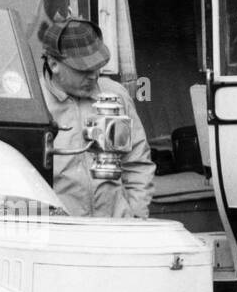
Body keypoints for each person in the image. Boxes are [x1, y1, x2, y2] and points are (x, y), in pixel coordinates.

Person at [38, 16, 154, 219]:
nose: (94, 75)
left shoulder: (115, 95)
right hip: (61, 235)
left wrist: (137, 217)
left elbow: (137, 163)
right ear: (53, 64)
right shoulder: (35, 104)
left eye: (97, 66)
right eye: (84, 69)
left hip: (117, 232)